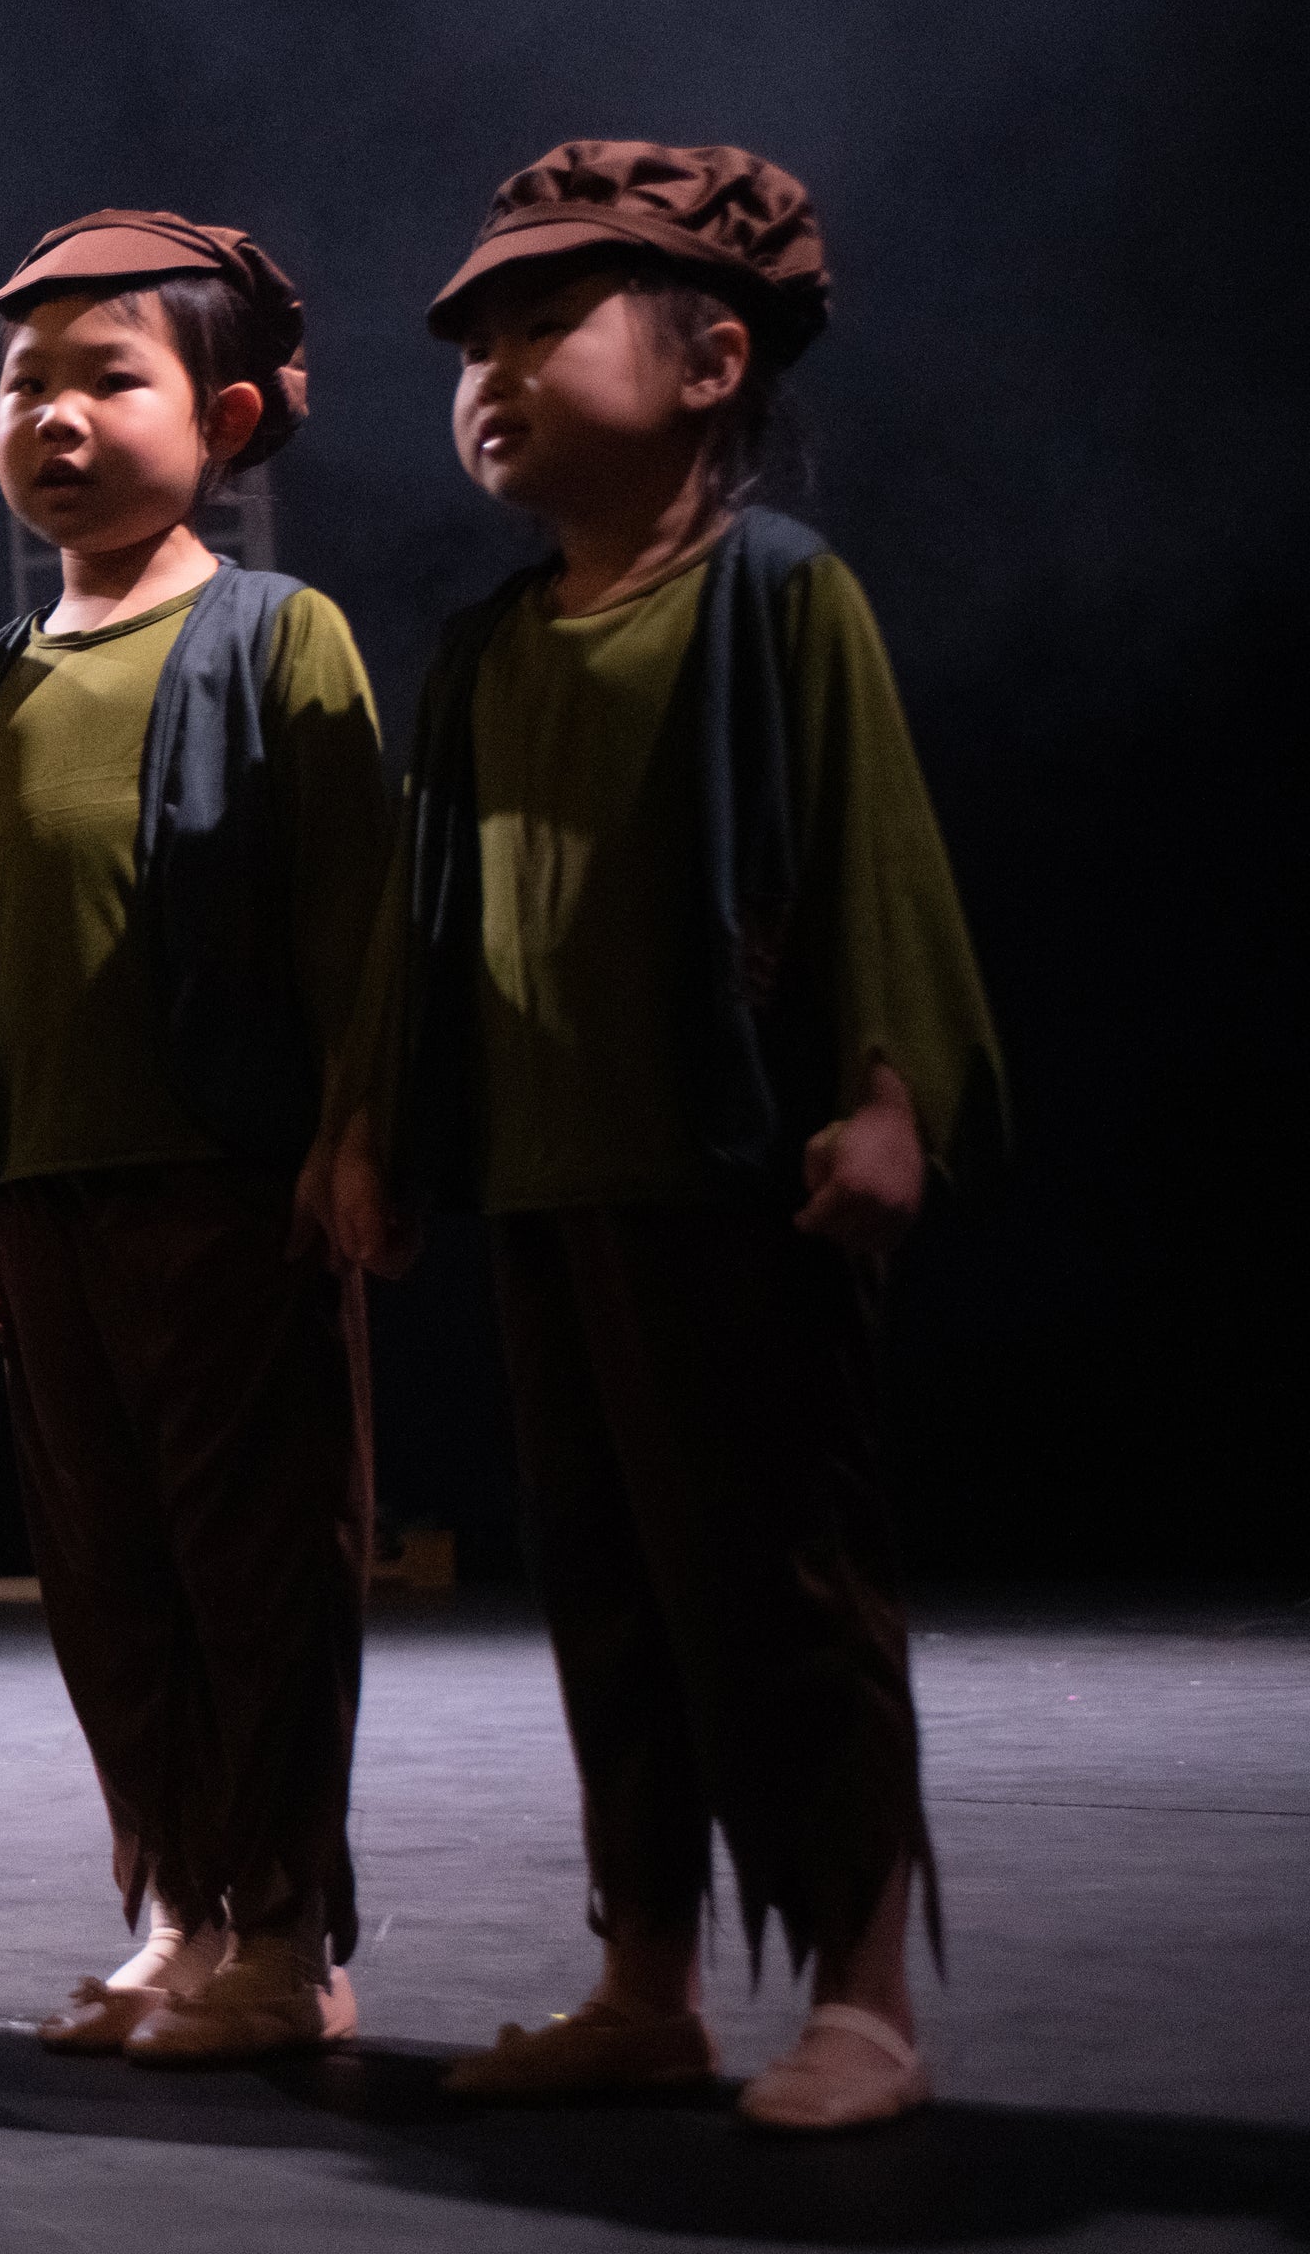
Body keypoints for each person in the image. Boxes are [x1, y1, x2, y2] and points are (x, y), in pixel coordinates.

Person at [322, 141, 1007, 2133]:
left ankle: (862, 1991)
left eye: (550, 321)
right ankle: (648, 1977)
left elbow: (874, 851)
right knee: (608, 1594)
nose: (495, 367)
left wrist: (887, 1093)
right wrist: (377, 1119)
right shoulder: (480, 650)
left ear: (712, 357)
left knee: (777, 1587)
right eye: (476, 341)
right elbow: (422, 910)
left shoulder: (775, 596)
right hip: (551, 1182)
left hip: (730, 1184)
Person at [0, 213, 387, 2064]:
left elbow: (353, 912)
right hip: (46, 1197)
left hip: (227, 1183)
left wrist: (352, 1129)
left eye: (111, 379)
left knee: (257, 1558)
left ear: (228, 416)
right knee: (105, 1566)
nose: (58, 417)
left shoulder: (277, 636)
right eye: (26, 384)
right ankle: (181, 1905)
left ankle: (288, 1929)